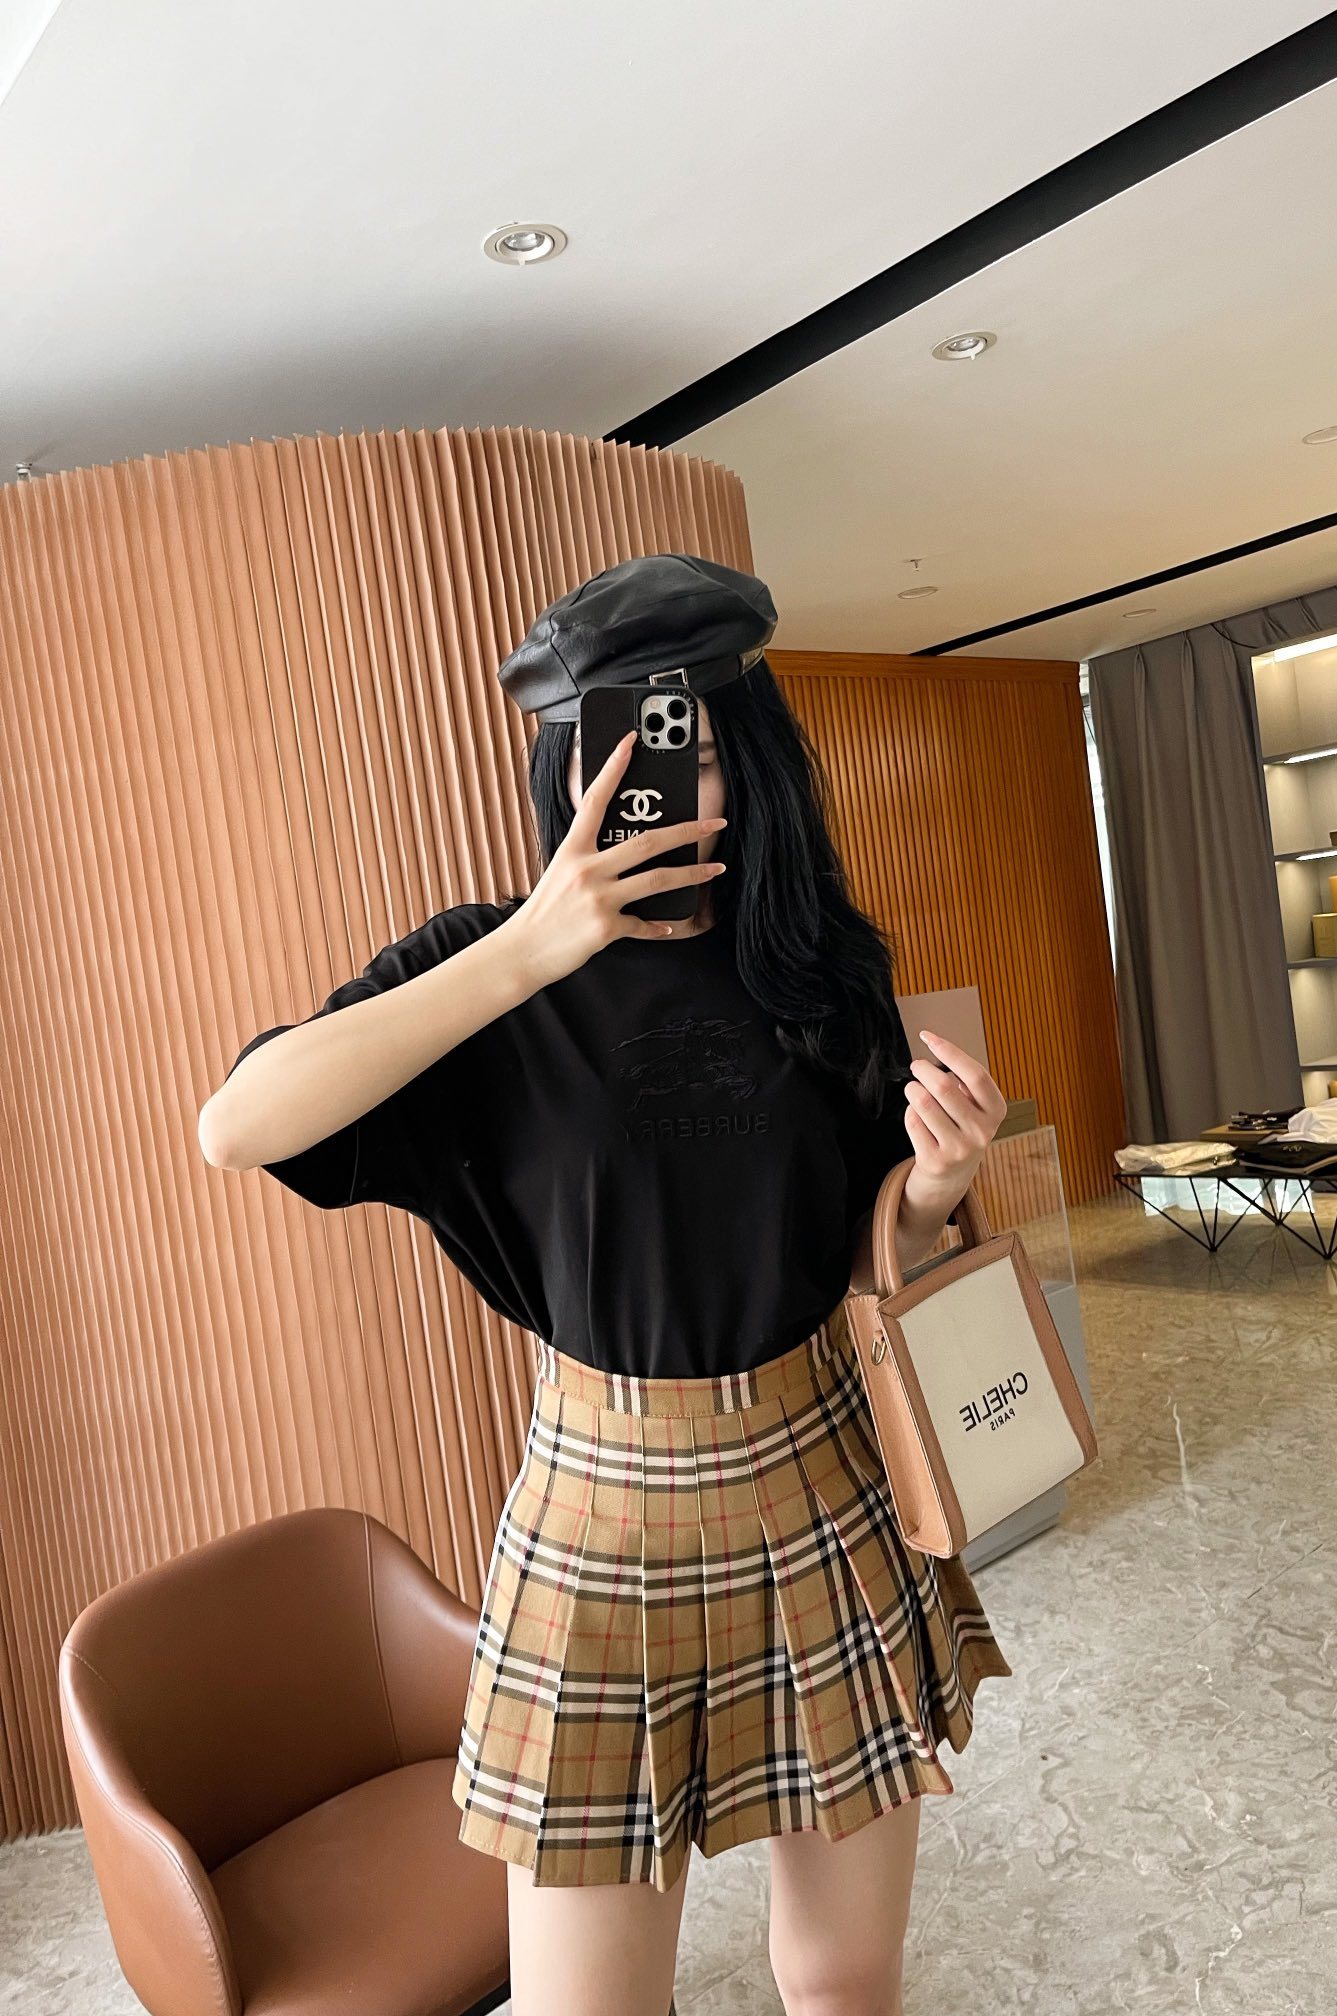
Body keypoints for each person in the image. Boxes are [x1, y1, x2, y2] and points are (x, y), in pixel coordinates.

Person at [200, 553, 1013, 2016]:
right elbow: (239, 1126)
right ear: (565, 761)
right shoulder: (482, 973)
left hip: (822, 1476)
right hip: (598, 1514)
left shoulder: (819, 970)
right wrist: (531, 945)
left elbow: (856, 1250)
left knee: (844, 1978)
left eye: (682, 737)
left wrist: (937, 1186)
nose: (648, 777)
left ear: (747, 759)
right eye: (613, 740)